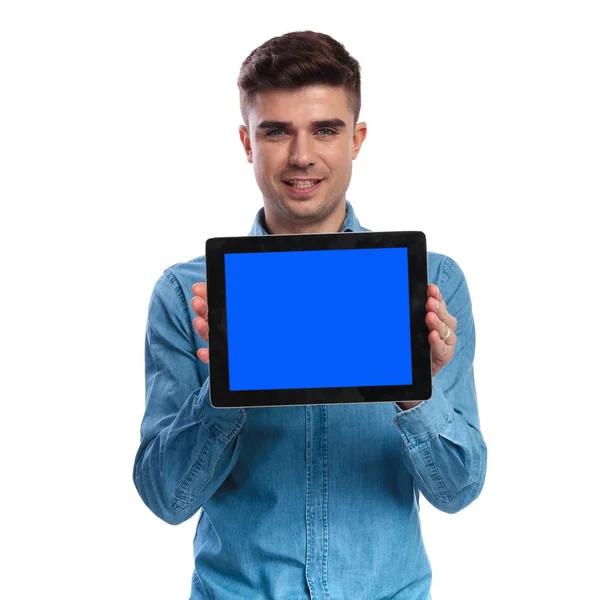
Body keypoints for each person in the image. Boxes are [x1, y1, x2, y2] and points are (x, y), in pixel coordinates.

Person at [133, 30, 487, 600]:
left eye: (326, 129)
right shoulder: (187, 293)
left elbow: (459, 490)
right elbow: (167, 500)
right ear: (248, 142)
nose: (302, 156)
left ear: (357, 139)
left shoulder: (429, 286)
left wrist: (418, 393)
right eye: (277, 131)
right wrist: (222, 392)